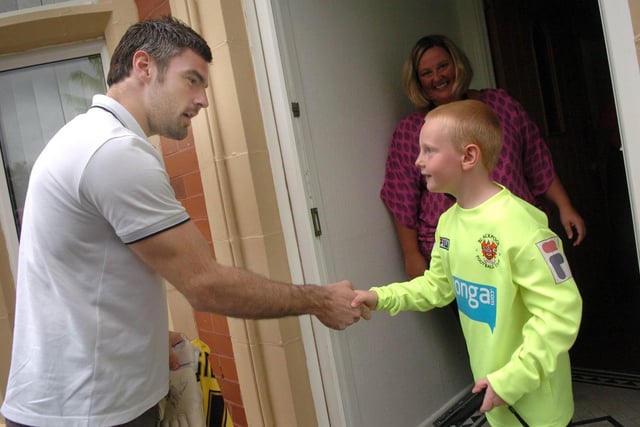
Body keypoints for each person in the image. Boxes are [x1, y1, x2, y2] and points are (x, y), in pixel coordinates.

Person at [1, 17, 368, 427]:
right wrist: (319, 300)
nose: (203, 100)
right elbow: (205, 283)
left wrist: (143, 341)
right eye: (192, 80)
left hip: (78, 401)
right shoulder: (113, 152)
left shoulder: (87, 138)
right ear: (144, 67)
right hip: (86, 413)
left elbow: (87, 275)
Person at [353, 99, 582, 426]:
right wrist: (380, 297)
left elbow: (561, 312)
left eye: (429, 150)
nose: (418, 161)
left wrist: (512, 380)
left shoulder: (522, 226)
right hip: (494, 396)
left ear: (469, 156)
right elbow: (437, 286)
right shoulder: (448, 223)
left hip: (538, 407)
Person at [381, 34, 586, 279]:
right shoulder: (410, 131)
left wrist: (565, 206)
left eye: (443, 66)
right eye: (426, 73)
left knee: (539, 305)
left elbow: (536, 159)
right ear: (418, 81)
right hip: (457, 252)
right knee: (483, 316)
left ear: (457, 65)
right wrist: (411, 254)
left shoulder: (500, 106)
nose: (437, 77)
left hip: (517, 237)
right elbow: (402, 196)